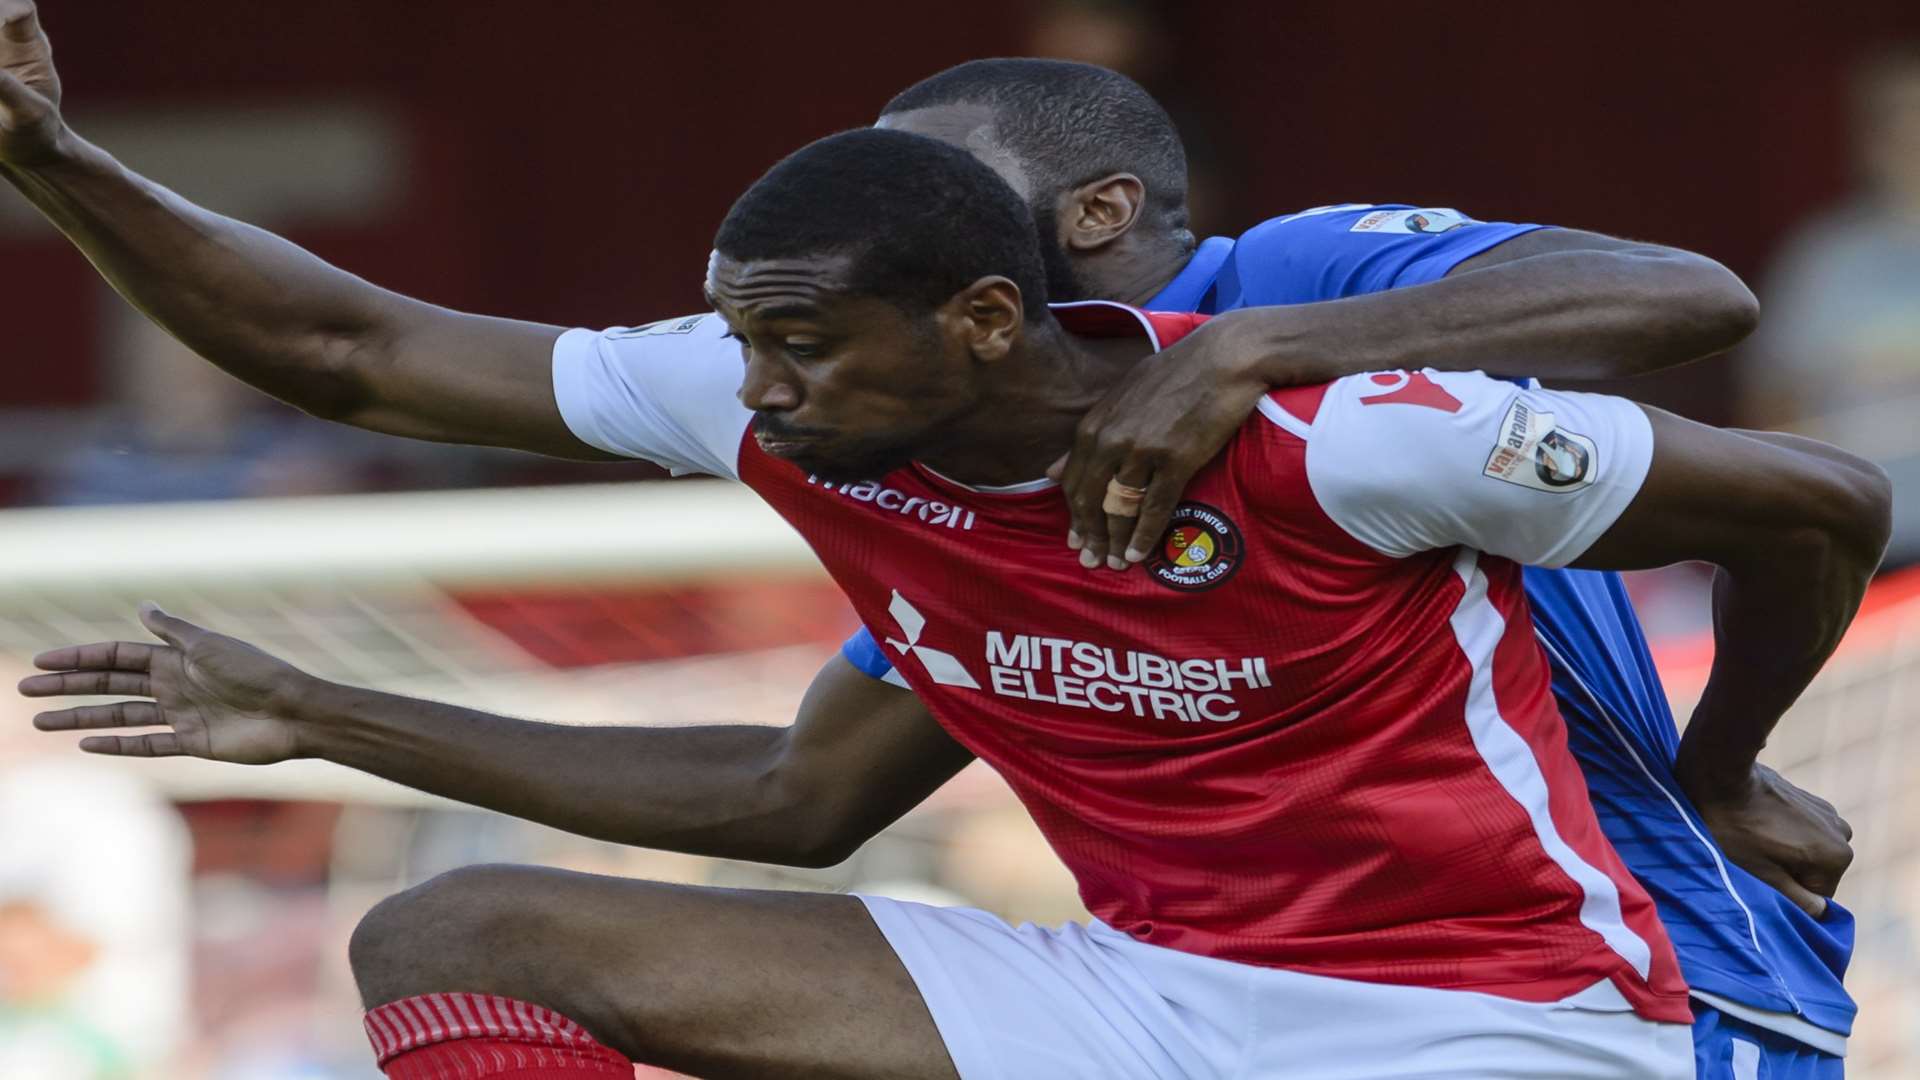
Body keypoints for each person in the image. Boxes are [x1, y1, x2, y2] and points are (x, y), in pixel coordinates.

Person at [0, 5, 1863, 1072]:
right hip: (1163, 988)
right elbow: (361, 350)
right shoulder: (822, 403)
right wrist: (56, 162)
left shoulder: (1320, 358)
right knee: (456, 928)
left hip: (1555, 1001)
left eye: (806, 332)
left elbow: (1725, 367)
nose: (762, 380)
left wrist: (1719, 769)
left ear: (1029, 270)